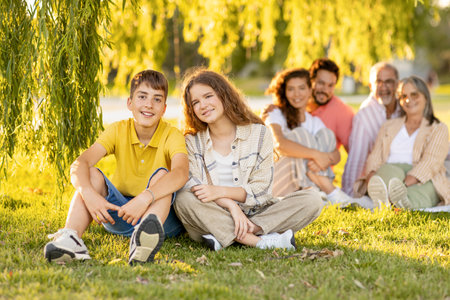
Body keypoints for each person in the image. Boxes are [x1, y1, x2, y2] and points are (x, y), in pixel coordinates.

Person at [44, 70, 189, 264]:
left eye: (157, 99)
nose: (148, 104)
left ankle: (144, 242)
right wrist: (88, 194)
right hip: (121, 214)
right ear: (130, 103)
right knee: (92, 174)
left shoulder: (172, 135)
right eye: (142, 97)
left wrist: (146, 198)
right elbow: (80, 163)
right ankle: (70, 239)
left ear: (163, 108)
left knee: (163, 174)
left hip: (161, 218)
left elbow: (181, 173)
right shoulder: (118, 130)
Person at [174, 68, 323, 251]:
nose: (203, 105)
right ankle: (259, 241)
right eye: (195, 102)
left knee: (313, 199)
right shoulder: (192, 141)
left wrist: (219, 191)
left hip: (256, 213)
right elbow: (195, 187)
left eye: (208, 96)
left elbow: (261, 191)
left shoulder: (259, 134)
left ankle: (227, 235)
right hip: (212, 212)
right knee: (183, 198)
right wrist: (231, 206)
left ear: (223, 95)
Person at [264, 68, 359, 206]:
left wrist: (323, 157)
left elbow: (336, 154)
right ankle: (330, 191)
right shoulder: (275, 113)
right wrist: (315, 155)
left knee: (326, 135)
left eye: (302, 88)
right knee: (300, 135)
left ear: (310, 90)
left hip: (306, 180)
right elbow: (280, 144)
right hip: (279, 180)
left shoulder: (313, 121)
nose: (297, 94)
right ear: (284, 92)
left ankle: (316, 190)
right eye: (291, 89)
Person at [354, 76, 449, 209]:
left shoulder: (438, 128)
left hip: (423, 177)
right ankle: (385, 195)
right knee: (387, 173)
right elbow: (375, 156)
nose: (409, 100)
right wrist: (371, 177)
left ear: (425, 97)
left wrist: (403, 186)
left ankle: (402, 202)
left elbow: (430, 163)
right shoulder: (388, 126)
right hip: (392, 171)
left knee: (424, 191)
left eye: (414, 95)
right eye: (404, 96)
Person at [342, 62, 402, 196]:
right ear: (370, 86)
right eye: (378, 82)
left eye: (389, 82)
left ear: (397, 85)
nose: (384, 87)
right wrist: (349, 194)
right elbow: (356, 157)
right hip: (378, 178)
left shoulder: (404, 107)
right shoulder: (365, 115)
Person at [307, 58, 354, 152]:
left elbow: (354, 153)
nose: (325, 90)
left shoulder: (342, 112)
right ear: (310, 80)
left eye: (330, 85)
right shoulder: (298, 101)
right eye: (321, 83)